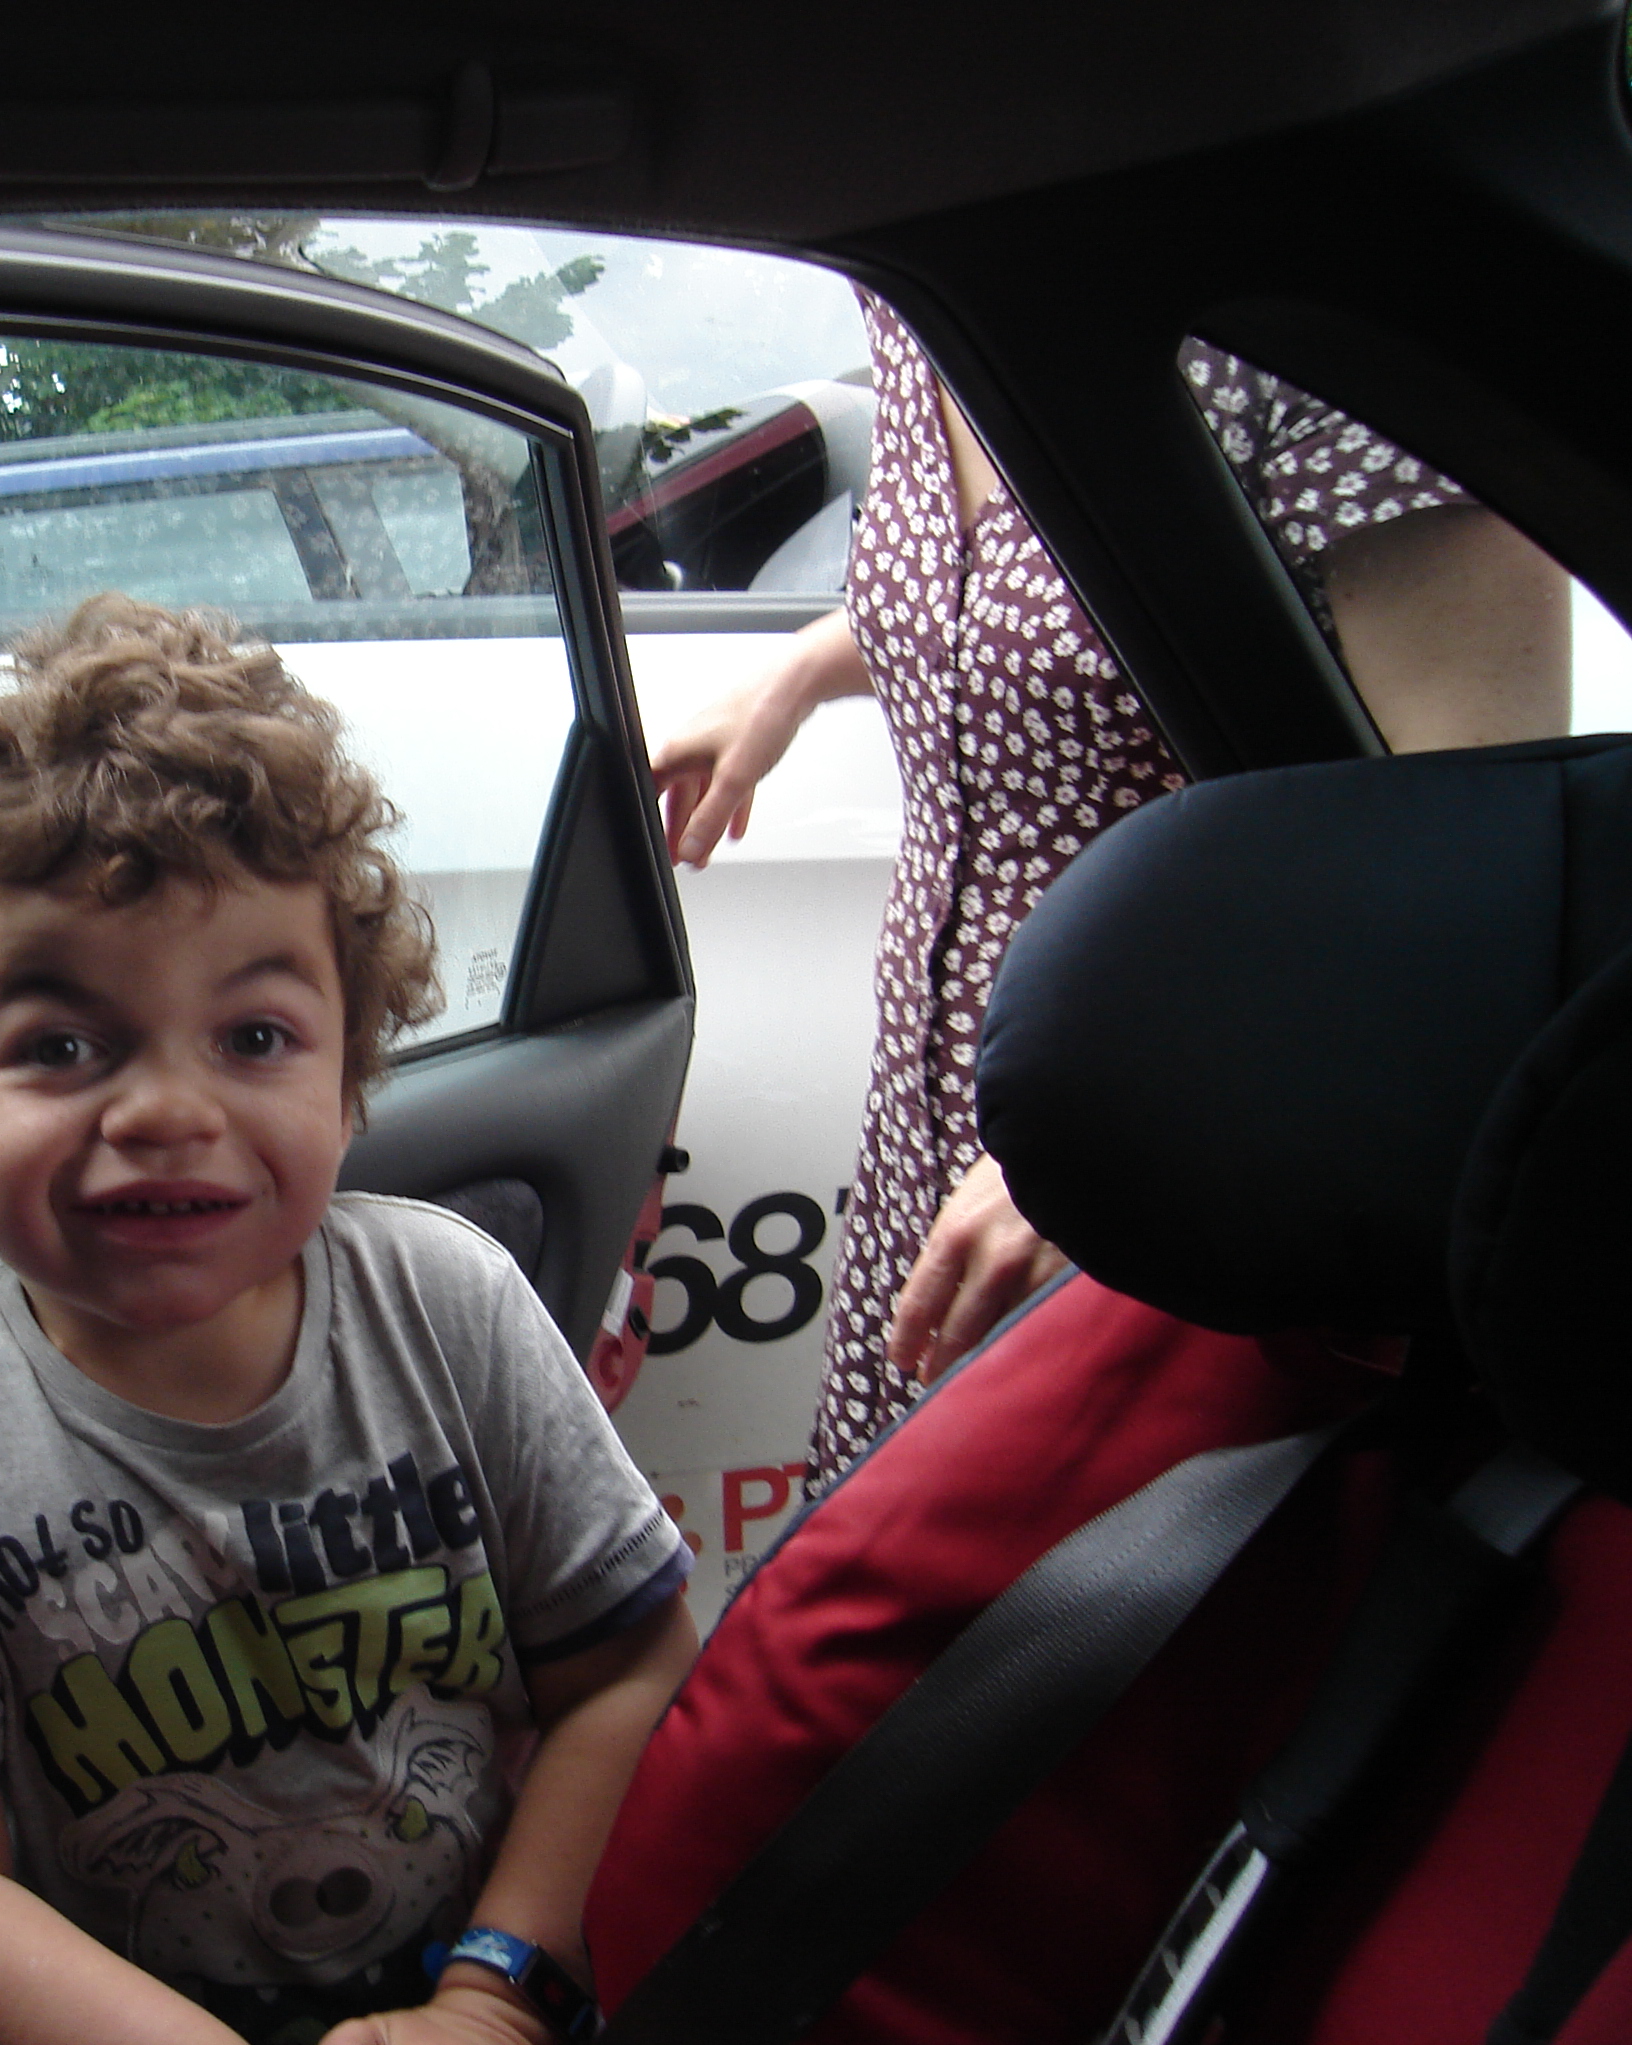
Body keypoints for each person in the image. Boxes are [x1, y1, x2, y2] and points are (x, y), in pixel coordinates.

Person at [0, 593, 700, 2045]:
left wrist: (501, 2000)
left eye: (256, 1037)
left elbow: (631, 1669)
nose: (165, 1109)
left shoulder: (448, 1309)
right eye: (62, 1045)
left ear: (349, 1086)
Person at [651, 295, 1571, 1486]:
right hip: (935, 1158)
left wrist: (1111, 1141)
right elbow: (1041, 595)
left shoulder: (1327, 332)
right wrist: (801, 672)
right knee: (906, 1612)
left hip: (1182, 1198)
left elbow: (1472, 897)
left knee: (1090, 1638)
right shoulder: (922, 292)